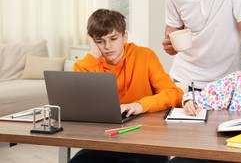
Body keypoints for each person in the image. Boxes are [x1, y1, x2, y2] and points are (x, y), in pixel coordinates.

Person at [69, 9, 184, 163]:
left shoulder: (144, 56)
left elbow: (175, 94)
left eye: (113, 39)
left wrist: (140, 105)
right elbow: (72, 96)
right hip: (103, 142)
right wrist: (94, 55)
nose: (107, 46)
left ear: (125, 37)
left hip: (144, 142)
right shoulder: (90, 63)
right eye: (100, 41)